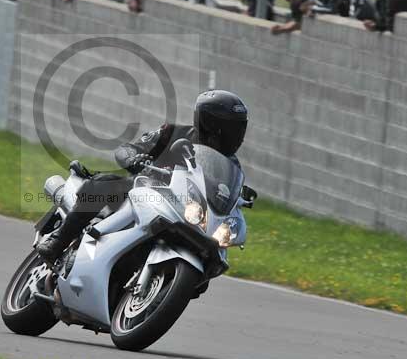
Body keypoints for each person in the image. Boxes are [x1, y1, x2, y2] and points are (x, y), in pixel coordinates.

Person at [35, 89, 251, 263]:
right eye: (231, 128)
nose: (237, 135)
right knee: (105, 184)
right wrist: (134, 159)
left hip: (184, 213)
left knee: (212, 256)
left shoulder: (231, 166)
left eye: (239, 128)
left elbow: (223, 199)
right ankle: (58, 240)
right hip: (143, 191)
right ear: (210, 124)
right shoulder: (174, 133)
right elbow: (128, 149)